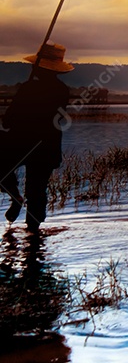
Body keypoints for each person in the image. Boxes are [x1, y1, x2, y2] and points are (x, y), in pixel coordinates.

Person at [1, 43, 72, 232]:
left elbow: (8, 121)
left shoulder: (28, 88)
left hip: (21, 143)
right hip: (47, 148)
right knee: (37, 191)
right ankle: (34, 233)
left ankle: (15, 196)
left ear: (39, 66)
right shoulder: (62, 91)